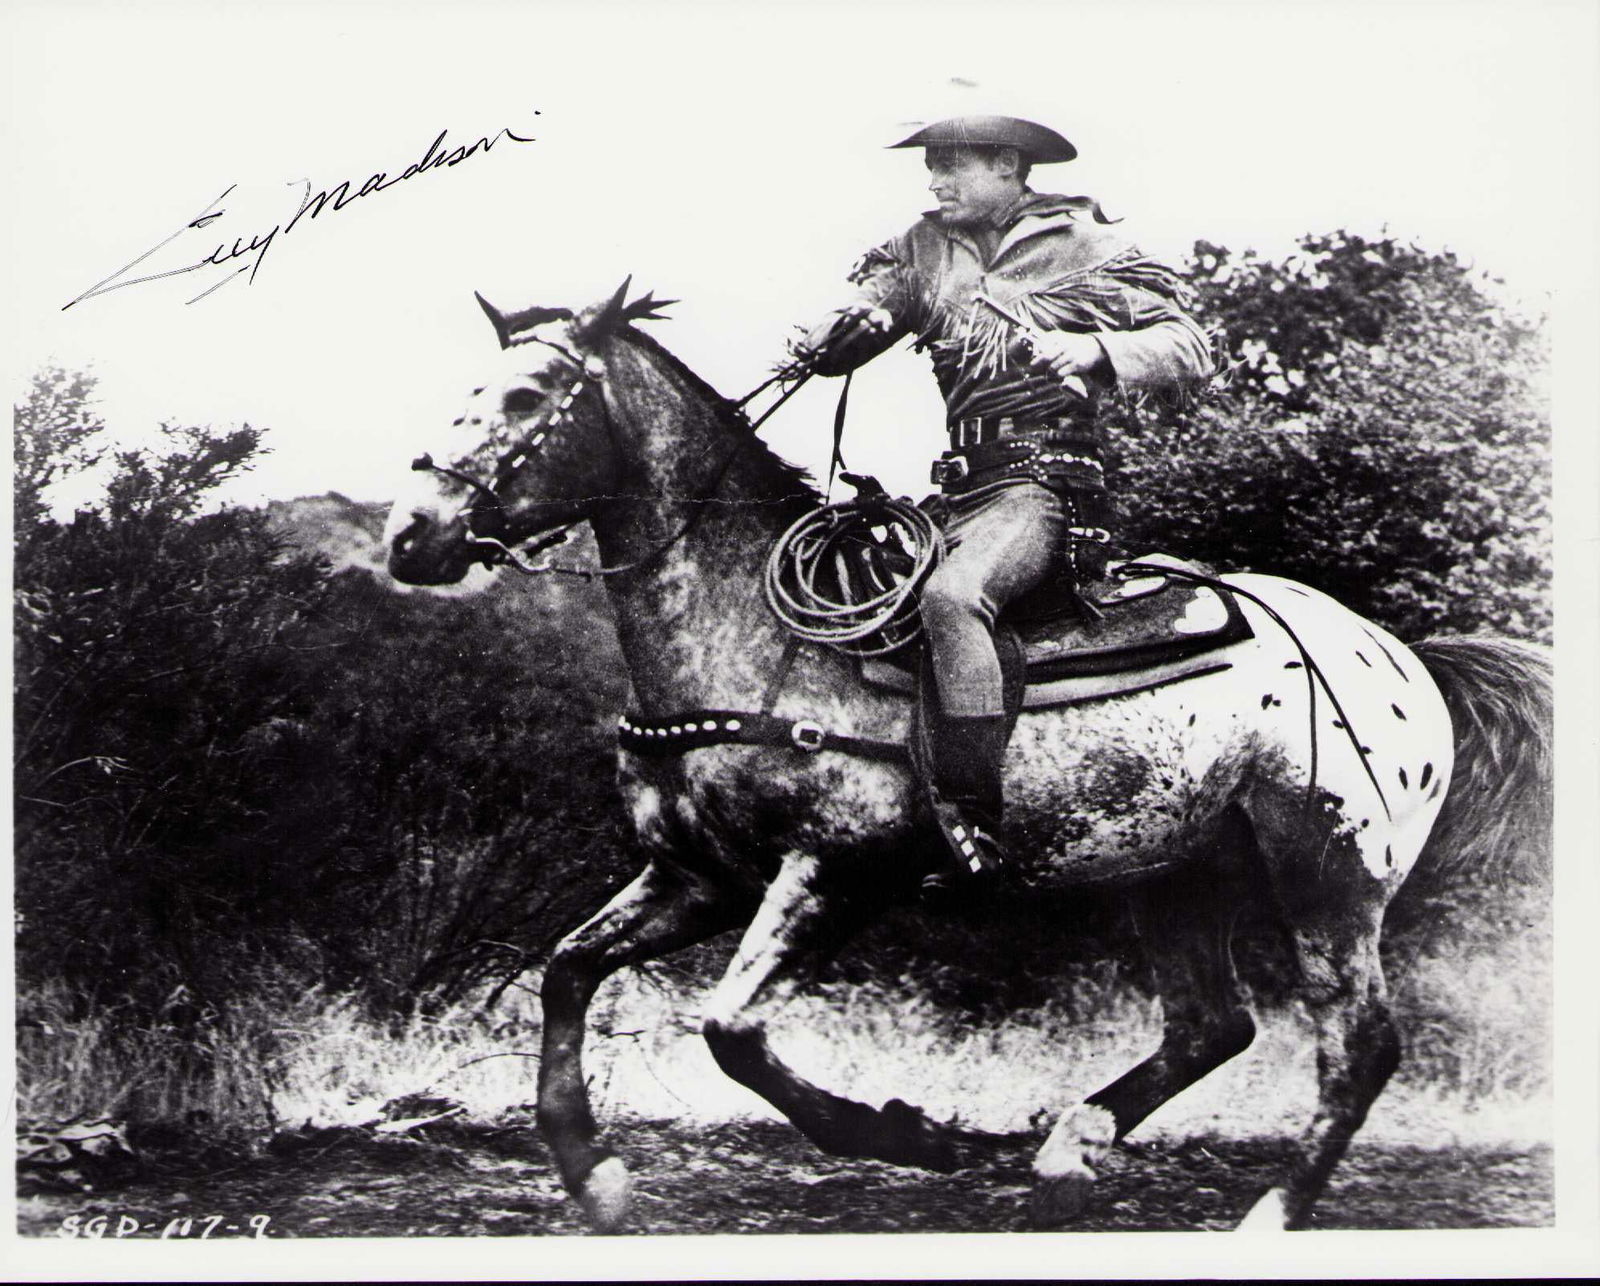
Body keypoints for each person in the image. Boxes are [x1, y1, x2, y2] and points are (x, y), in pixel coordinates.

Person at [797, 114, 1215, 902]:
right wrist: (838, 332)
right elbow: (861, 313)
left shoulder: (1086, 245)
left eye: (949, 165)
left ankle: (972, 825)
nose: (934, 182)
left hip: (1043, 486)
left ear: (1006, 163)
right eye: (930, 166)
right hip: (958, 492)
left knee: (954, 598)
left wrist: (1094, 350)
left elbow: (1191, 346)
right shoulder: (922, 247)